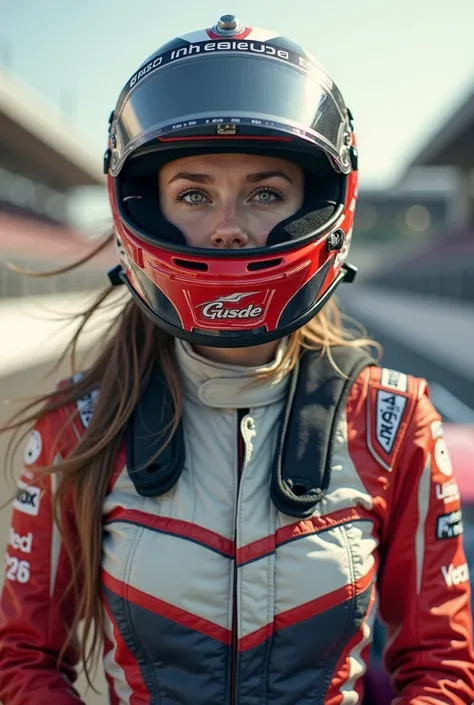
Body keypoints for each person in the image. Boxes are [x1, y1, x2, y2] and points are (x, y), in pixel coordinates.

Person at [1, 14, 473, 705]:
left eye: (265, 193)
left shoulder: (394, 422)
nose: (227, 224)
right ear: (144, 208)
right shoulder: (77, 425)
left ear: (318, 204)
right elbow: (22, 661)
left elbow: (441, 667)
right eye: (193, 194)